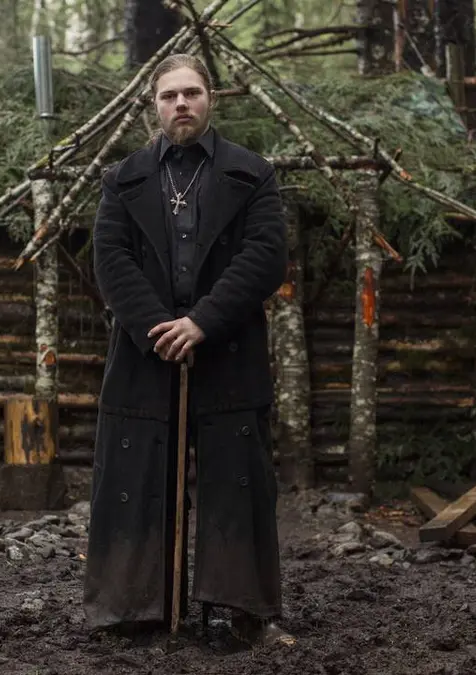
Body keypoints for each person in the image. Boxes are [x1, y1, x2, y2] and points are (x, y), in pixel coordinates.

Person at [83, 53, 292, 646]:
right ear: (154, 105)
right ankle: (134, 607)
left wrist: (202, 322)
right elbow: (111, 260)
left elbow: (265, 256)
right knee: (135, 477)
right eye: (169, 95)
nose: (181, 103)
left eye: (192, 93)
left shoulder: (253, 174)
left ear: (210, 99)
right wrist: (161, 329)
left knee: (238, 481)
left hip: (228, 351)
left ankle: (239, 611)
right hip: (145, 356)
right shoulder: (122, 179)